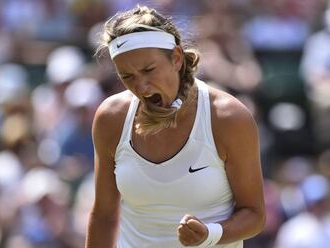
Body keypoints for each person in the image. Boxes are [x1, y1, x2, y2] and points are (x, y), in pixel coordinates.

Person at [86, 5, 265, 248]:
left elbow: (254, 215)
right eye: (127, 76)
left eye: (149, 70)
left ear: (177, 58)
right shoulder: (111, 118)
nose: (142, 86)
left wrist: (209, 234)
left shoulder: (228, 118)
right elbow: (103, 217)